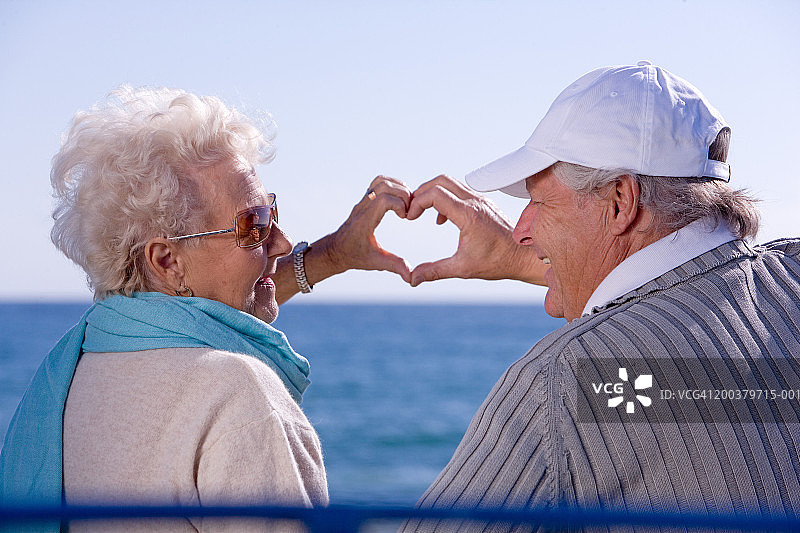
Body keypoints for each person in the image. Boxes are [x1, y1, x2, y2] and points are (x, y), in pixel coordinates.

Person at [400, 62, 800, 531]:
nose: (521, 230)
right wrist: (546, 263)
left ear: (619, 201)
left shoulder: (564, 379)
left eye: (537, 202)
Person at [0, 85, 414, 531]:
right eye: (253, 224)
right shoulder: (239, 396)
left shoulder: (80, 366)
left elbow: (214, 307)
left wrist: (331, 255)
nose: (282, 240)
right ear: (167, 260)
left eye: (270, 212)